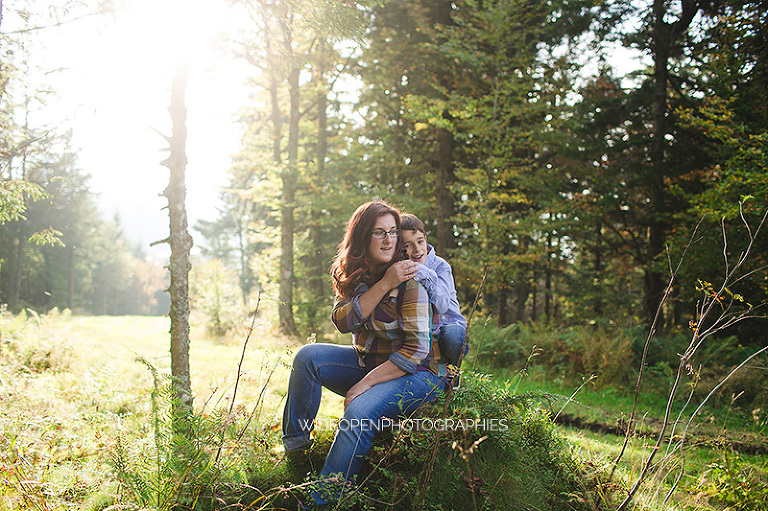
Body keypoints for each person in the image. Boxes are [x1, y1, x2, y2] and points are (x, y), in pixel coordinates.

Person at [281, 201, 443, 507]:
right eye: (379, 233)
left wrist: (364, 385)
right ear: (362, 237)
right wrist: (384, 284)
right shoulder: (356, 274)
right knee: (308, 357)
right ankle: (298, 457)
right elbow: (343, 322)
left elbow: (416, 351)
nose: (389, 240)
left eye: (393, 232)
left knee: (358, 412)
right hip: (370, 362)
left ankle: (323, 502)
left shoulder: (411, 277)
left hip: (419, 375)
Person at [400, 213, 468, 376]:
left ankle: (453, 371)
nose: (417, 249)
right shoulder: (399, 267)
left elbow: (442, 306)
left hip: (447, 324)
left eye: (420, 241)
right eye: (408, 245)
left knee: (453, 337)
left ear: (425, 239)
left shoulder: (440, 266)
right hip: (420, 324)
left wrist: (422, 271)